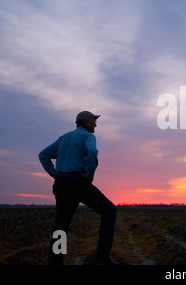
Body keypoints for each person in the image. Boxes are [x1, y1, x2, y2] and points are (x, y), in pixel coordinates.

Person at [39, 111, 118, 265]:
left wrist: (54, 173)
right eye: (93, 120)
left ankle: (55, 262)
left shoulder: (63, 138)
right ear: (85, 121)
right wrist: (89, 174)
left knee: (60, 226)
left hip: (61, 183)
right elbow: (93, 152)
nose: (96, 123)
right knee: (109, 210)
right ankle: (102, 256)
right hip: (77, 182)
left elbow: (43, 155)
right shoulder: (88, 136)